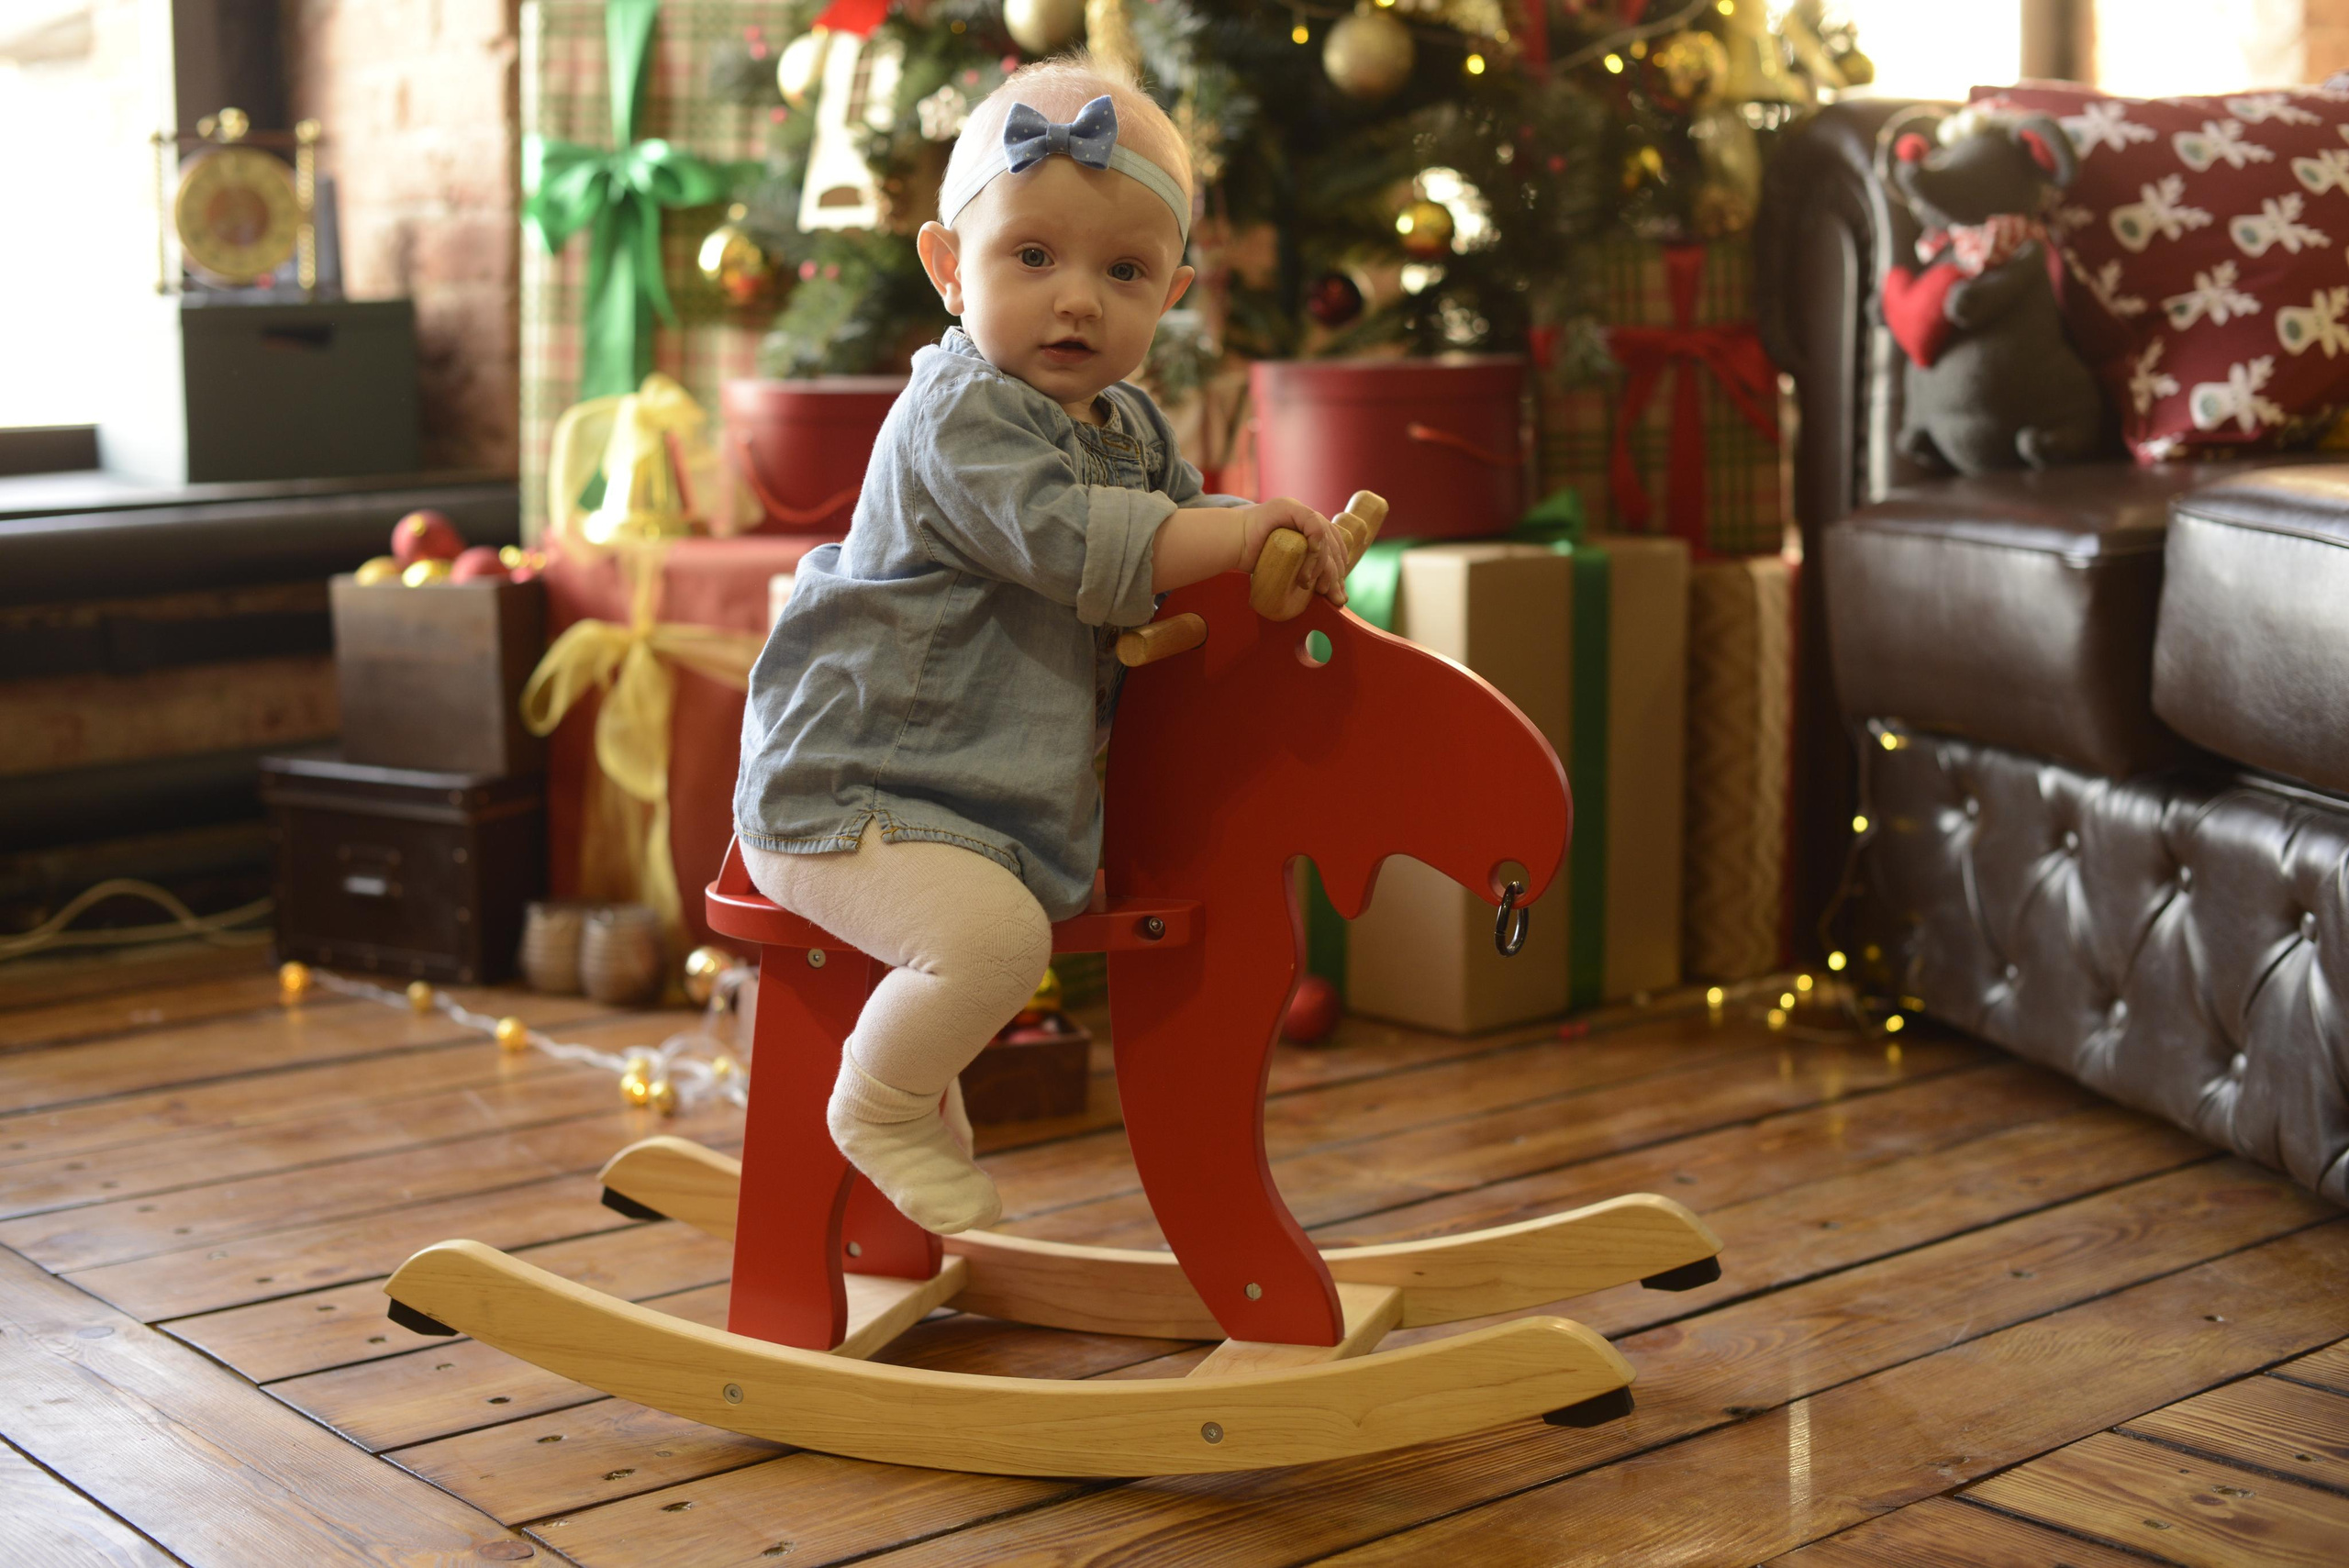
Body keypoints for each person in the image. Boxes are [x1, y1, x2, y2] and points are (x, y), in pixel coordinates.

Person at [733, 55, 1351, 1235]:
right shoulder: (954, 412)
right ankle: (883, 1105)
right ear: (947, 267)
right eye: (1033, 256)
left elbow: (1184, 525)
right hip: (852, 787)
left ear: (1170, 293)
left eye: (1122, 271)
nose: (1077, 300)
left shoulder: (1126, 425)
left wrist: (1273, 540)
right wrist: (1215, 539)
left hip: (972, 798)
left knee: (1006, 925)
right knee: (998, 942)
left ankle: (916, 1121)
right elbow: (1078, 543)